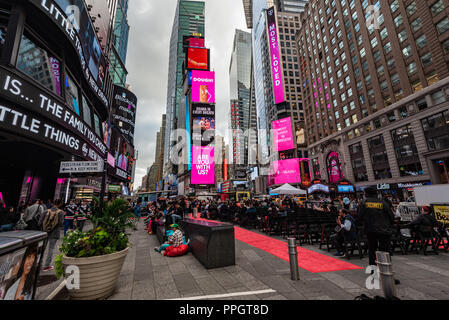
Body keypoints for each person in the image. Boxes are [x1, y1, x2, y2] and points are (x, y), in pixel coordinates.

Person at [357, 187, 395, 267]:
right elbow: (391, 216)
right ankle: (386, 267)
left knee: (372, 249)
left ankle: (373, 268)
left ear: (366, 194)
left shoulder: (363, 202)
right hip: (384, 229)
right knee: (385, 249)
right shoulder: (383, 202)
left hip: (371, 229)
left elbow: (359, 216)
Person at [39, 199, 64, 272]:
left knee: (42, 249)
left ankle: (38, 264)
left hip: (44, 232)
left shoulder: (46, 211)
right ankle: (46, 266)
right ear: (60, 204)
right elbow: (61, 224)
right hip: (55, 232)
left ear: (53, 203)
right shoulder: (61, 212)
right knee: (51, 249)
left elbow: (40, 222)